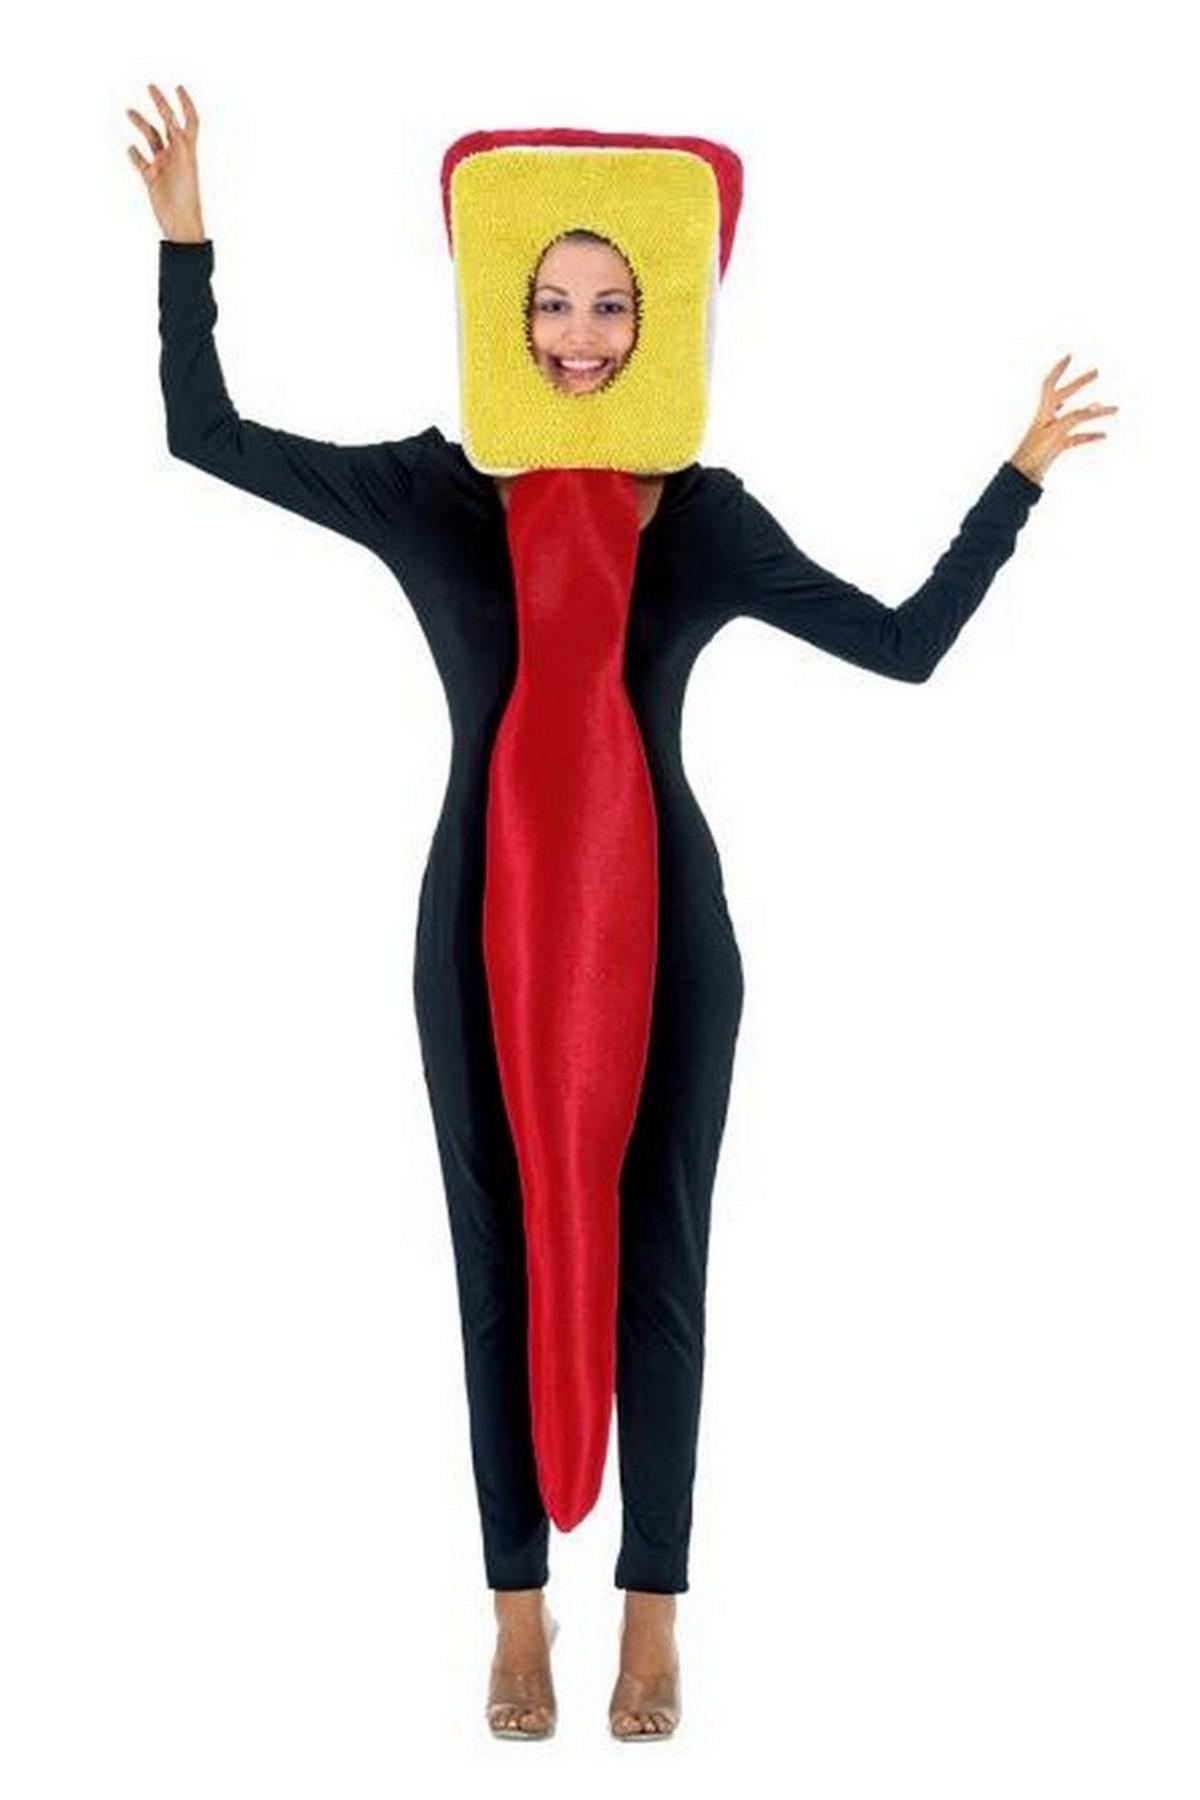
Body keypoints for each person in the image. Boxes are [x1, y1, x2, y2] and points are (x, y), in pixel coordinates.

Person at [126, 82, 1118, 1742]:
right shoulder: (436, 491)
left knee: (662, 1252)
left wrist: (1014, 479)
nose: (579, 338)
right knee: (495, 1250)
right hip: (480, 927)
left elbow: (903, 646)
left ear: (659, 323)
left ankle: (652, 1615)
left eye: (611, 307)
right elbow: (205, 437)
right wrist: (185, 248)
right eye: (551, 303)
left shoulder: (701, 513)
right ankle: (516, 1616)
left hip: (667, 935)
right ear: (503, 314)